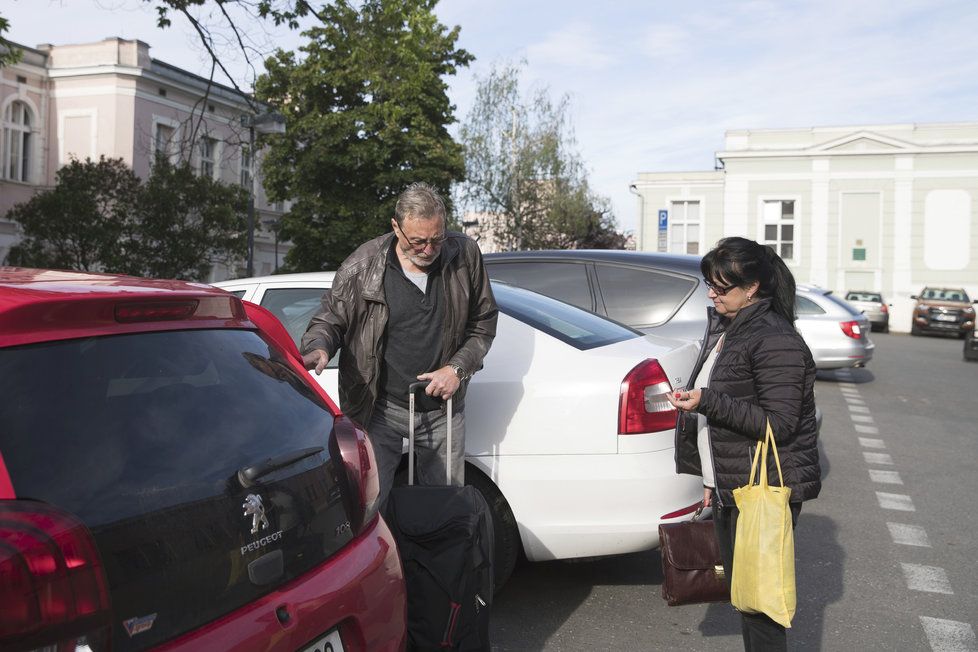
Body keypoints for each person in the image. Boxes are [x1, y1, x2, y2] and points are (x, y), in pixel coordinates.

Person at [300, 182, 498, 510]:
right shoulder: (361, 267)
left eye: (437, 239)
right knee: (369, 504)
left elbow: (483, 322)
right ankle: (384, 562)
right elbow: (330, 318)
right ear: (396, 227)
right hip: (379, 409)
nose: (429, 249)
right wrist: (319, 346)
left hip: (443, 412)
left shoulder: (464, 254)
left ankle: (437, 564)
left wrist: (457, 369)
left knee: (447, 509)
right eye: (418, 241)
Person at [667, 236, 821, 651]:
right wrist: (711, 478)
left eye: (721, 287)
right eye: (709, 285)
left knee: (761, 603)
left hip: (763, 488)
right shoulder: (733, 328)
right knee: (748, 596)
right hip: (733, 483)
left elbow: (780, 423)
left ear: (751, 287)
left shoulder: (774, 337)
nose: (712, 294)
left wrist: (707, 401)